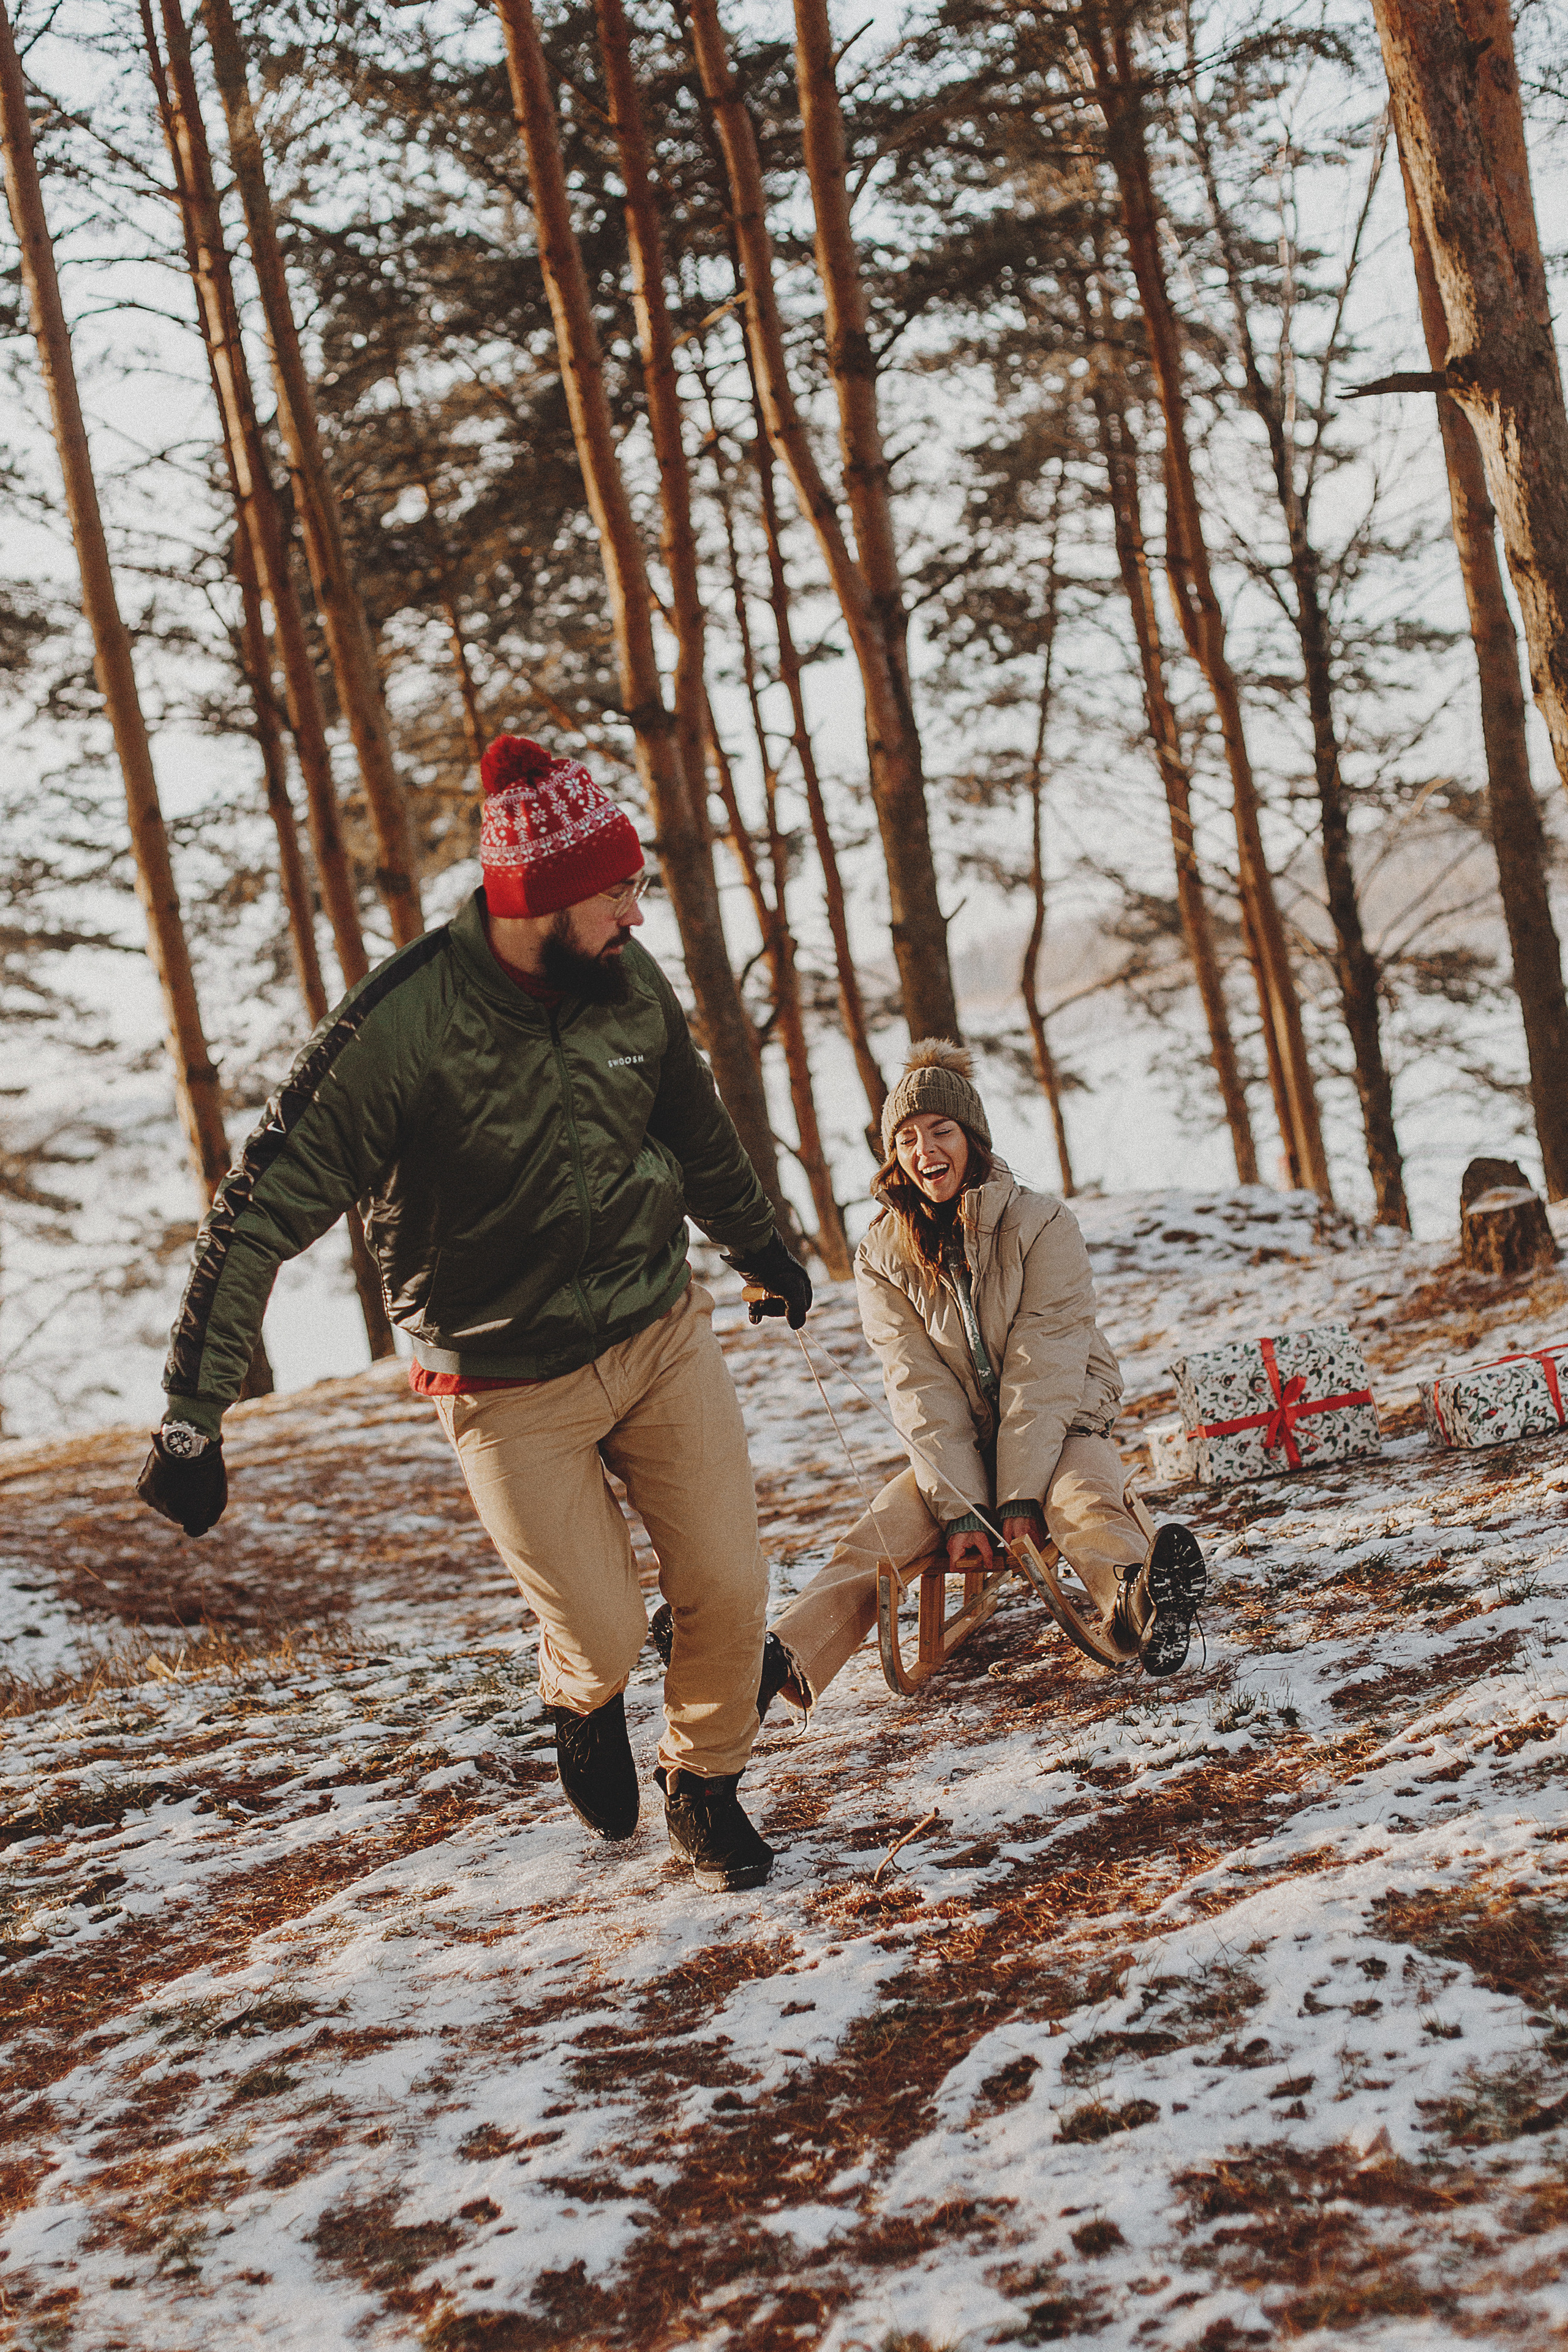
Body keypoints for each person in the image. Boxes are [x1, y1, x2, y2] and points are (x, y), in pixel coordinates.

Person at [136, 734, 812, 1893]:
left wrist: (760, 1247)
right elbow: (259, 1206)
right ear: (539, 902)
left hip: (656, 1330)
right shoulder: (403, 1027)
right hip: (505, 1382)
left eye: (638, 887)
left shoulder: (625, 981)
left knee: (730, 1584)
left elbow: (695, 1129)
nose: (637, 915)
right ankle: (581, 1692)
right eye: (617, 893)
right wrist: (193, 1414)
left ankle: (704, 1783)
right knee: (601, 1627)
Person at [763, 1039, 1207, 1706]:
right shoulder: (881, 1254)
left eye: (940, 1131)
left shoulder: (1041, 1223)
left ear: (971, 1137)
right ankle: (778, 1662)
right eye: (907, 1139)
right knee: (881, 1531)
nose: (924, 1150)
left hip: (1063, 1423)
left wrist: (1019, 1497)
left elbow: (1044, 1363)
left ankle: (1141, 1602)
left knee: (1081, 1499)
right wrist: (963, 1507)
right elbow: (917, 1384)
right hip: (961, 1446)